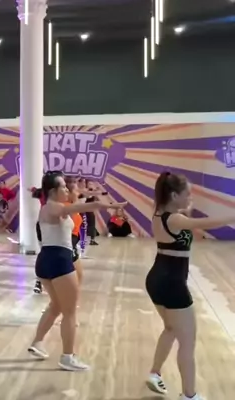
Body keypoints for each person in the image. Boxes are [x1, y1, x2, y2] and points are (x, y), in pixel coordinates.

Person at [144, 172, 235, 400]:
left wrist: (187, 210)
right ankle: (189, 395)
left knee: (170, 329)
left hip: (157, 279)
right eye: (187, 194)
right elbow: (201, 224)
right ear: (174, 195)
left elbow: (185, 225)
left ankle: (154, 373)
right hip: (172, 283)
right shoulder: (174, 219)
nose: (190, 198)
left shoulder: (161, 214)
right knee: (187, 342)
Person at [27, 171, 125, 371]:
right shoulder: (53, 207)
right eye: (63, 186)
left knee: (56, 306)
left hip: (46, 260)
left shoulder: (52, 206)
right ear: (53, 191)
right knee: (70, 312)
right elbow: (79, 206)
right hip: (58, 261)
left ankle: (37, 342)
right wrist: (106, 205)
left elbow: (76, 204)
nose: (66, 189)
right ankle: (67, 357)